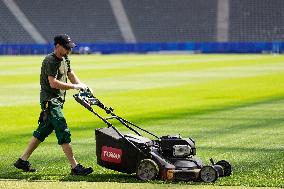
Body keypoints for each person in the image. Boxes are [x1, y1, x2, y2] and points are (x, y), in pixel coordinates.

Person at [14, 34, 93, 176]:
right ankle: (75, 167)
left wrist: (82, 86)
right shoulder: (50, 60)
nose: (69, 50)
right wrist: (74, 87)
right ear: (57, 46)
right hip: (50, 101)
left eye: (70, 48)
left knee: (43, 131)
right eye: (66, 47)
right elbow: (53, 83)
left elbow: (71, 74)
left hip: (58, 100)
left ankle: (22, 160)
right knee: (62, 129)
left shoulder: (65, 58)